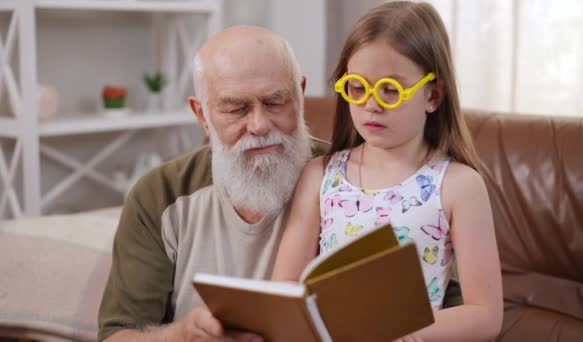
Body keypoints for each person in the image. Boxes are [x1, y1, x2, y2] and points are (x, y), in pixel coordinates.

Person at [98, 24, 463, 342]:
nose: (259, 125)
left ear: (300, 95)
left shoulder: (358, 178)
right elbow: (118, 335)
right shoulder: (159, 196)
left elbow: (443, 302)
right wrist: (181, 336)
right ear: (202, 114)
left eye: (275, 102)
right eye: (235, 108)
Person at [272, 1, 503, 341]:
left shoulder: (458, 186)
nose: (371, 104)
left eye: (390, 90)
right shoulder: (319, 175)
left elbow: (486, 316)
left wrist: (409, 333)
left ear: (433, 95)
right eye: (357, 88)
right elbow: (283, 291)